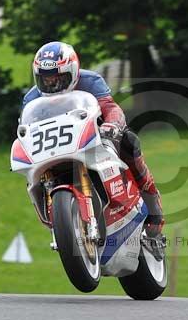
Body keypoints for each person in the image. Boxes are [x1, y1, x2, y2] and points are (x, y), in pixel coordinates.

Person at [21, 41, 165, 240]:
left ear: (73, 71)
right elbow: (25, 129)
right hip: (53, 149)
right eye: (45, 79)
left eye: (58, 78)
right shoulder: (31, 99)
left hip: (92, 138)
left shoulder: (90, 81)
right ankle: (57, 219)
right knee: (32, 178)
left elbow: (110, 108)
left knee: (129, 141)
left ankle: (152, 203)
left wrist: (112, 125)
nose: (51, 84)